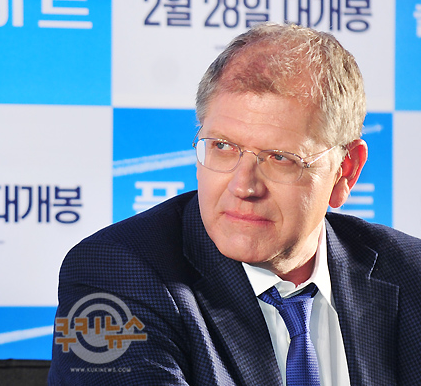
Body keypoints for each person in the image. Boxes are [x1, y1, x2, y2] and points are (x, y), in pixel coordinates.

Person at [48, 23, 421, 385]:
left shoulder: (412, 274)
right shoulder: (111, 274)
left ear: (345, 172)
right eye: (223, 147)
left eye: (280, 158)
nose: (243, 186)